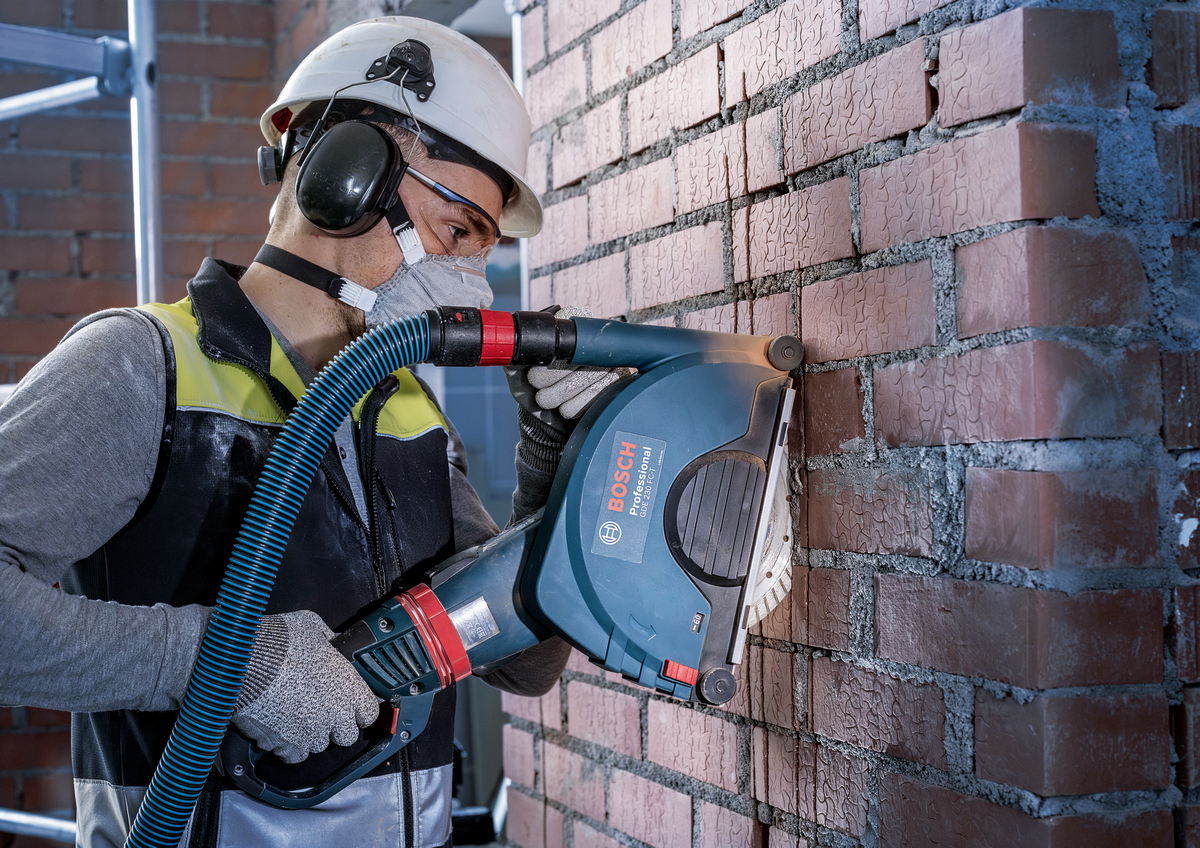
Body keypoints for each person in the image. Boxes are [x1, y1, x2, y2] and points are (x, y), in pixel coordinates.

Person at [0, 17, 619, 848]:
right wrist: (229, 663)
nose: (472, 282)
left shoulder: (410, 413)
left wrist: (555, 471)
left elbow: (524, 663)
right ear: (347, 175)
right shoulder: (144, 367)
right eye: (458, 232)